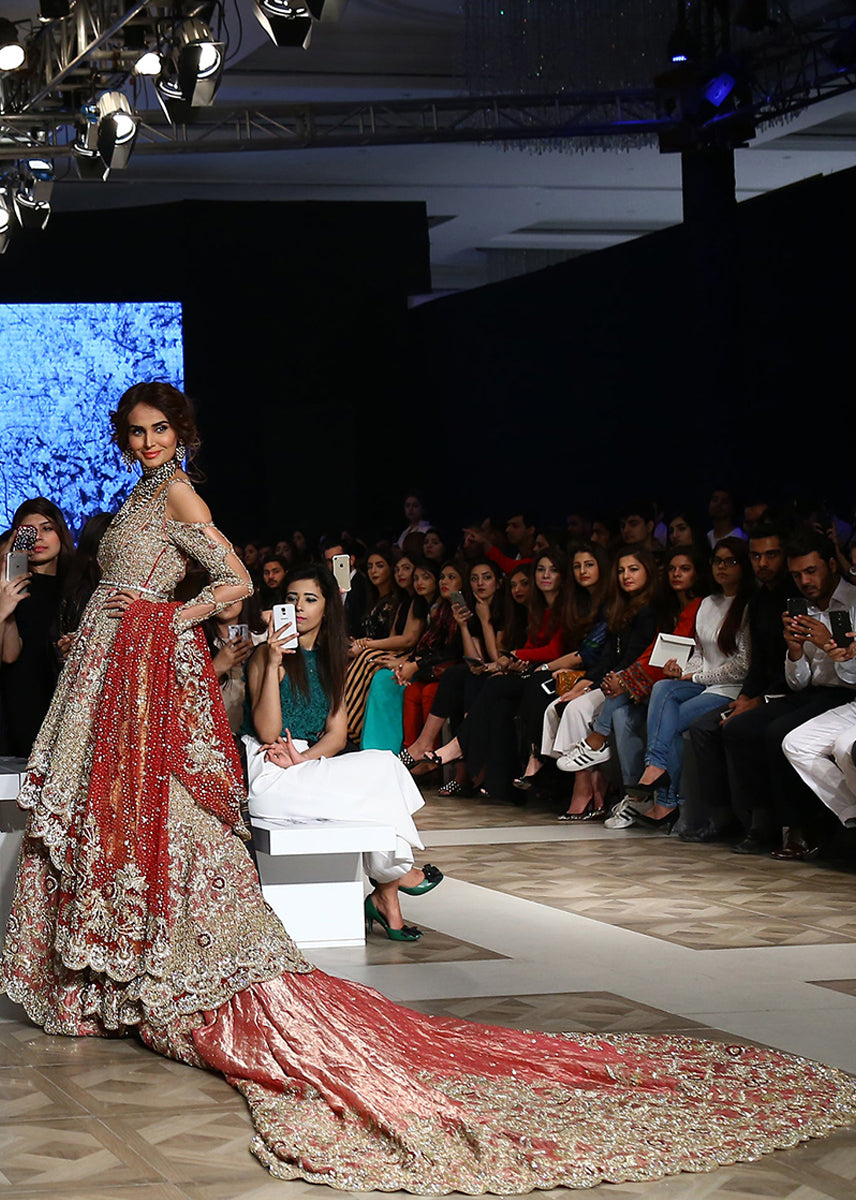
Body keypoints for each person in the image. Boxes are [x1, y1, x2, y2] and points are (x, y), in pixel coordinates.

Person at [2, 383, 855, 1193]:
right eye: (137, 432)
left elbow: (231, 582)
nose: (149, 442)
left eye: (160, 429)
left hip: (145, 658)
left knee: (159, 810)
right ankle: (115, 972)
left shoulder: (181, 494)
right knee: (117, 808)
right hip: (117, 667)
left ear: (180, 434)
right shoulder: (136, 499)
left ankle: (159, 965)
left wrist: (161, 616)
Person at [245, 563, 440, 942]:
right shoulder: (265, 657)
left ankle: (387, 896)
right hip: (269, 770)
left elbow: (336, 736)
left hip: (306, 764)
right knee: (382, 772)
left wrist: (304, 759)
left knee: (383, 766)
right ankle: (394, 878)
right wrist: (272, 662)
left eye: (310, 599)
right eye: (291, 599)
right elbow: (268, 732)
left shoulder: (331, 660)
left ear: (326, 608)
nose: (299, 607)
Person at [627, 538, 753, 829]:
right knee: (663, 687)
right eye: (717, 561)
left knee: (668, 723)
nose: (722, 567)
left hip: (730, 688)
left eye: (730, 561)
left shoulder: (748, 605)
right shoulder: (707, 603)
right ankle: (656, 767)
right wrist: (683, 670)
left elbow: (742, 666)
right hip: (702, 681)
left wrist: (695, 676)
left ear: (743, 565)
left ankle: (665, 802)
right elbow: (700, 653)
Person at [0, 497, 74, 757]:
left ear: (61, 533)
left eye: (47, 528)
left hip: (65, 703)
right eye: (29, 532)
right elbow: (9, 655)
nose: (38, 538)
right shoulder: (10, 589)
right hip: (19, 703)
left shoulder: (78, 588)